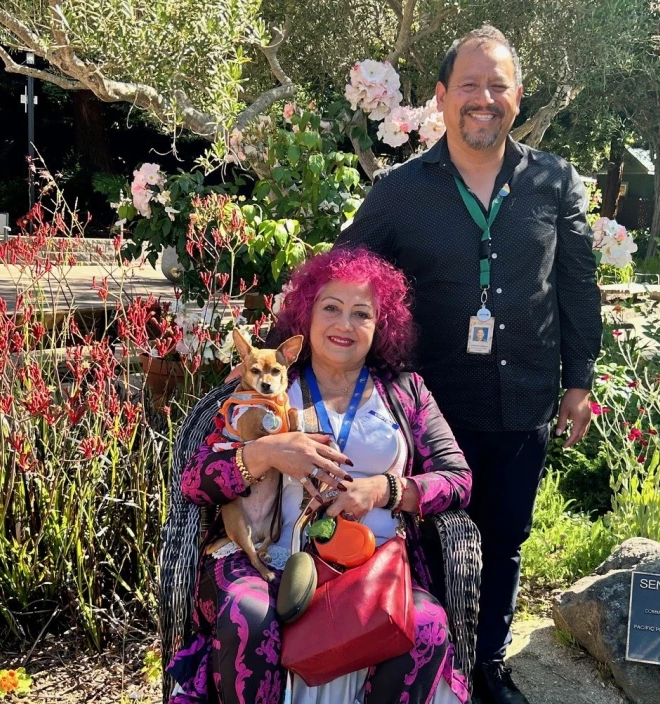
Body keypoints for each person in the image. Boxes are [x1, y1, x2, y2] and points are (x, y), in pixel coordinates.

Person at [335, 25, 603, 704]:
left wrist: (580, 383)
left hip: (525, 400)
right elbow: (343, 273)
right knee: (429, 541)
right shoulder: (401, 192)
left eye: (498, 85)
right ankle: (428, 661)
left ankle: (486, 665)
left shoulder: (553, 181)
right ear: (441, 97)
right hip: (429, 412)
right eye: (469, 86)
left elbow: (576, 283)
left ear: (517, 95)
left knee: (505, 541)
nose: (484, 99)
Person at [166, 248, 474, 704]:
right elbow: (194, 481)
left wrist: (386, 489)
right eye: (330, 308)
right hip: (269, 557)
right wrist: (265, 452)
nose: (344, 325)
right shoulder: (264, 386)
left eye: (361, 313)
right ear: (306, 316)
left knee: (424, 624)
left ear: (379, 325)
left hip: (375, 563)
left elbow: (458, 479)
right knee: (247, 614)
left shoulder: (406, 392)